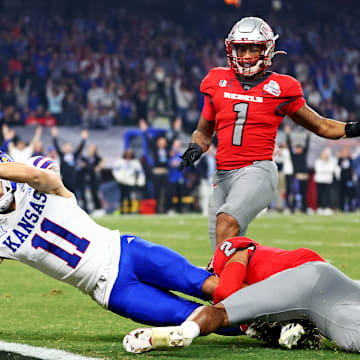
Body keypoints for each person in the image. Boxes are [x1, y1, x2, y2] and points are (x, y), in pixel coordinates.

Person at [179, 16, 360, 251]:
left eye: (252, 49)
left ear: (267, 49)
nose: (244, 56)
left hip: (257, 170)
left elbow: (320, 125)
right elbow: (203, 132)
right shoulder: (216, 80)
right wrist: (195, 147)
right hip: (222, 174)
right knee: (224, 255)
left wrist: (353, 128)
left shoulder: (282, 87)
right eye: (240, 49)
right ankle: (247, 283)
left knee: (226, 223)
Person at [0, 151, 217, 327]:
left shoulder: (35, 176)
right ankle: (248, 327)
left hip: (126, 250)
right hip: (110, 289)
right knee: (190, 317)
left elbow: (36, 176)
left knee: (203, 283)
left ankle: (250, 302)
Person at [124, 236, 360, 353]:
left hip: (304, 285)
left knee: (221, 311)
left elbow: (228, 290)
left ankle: (183, 333)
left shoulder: (228, 254)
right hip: (330, 282)